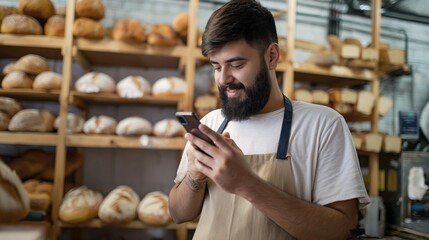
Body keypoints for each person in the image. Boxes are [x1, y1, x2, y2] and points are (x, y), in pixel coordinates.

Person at [169, 0, 369, 239]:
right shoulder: (210, 124)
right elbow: (178, 214)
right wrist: (194, 175)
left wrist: (245, 183)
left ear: (272, 56)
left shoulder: (322, 125)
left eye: (236, 64)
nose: (224, 79)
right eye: (216, 66)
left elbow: (341, 229)